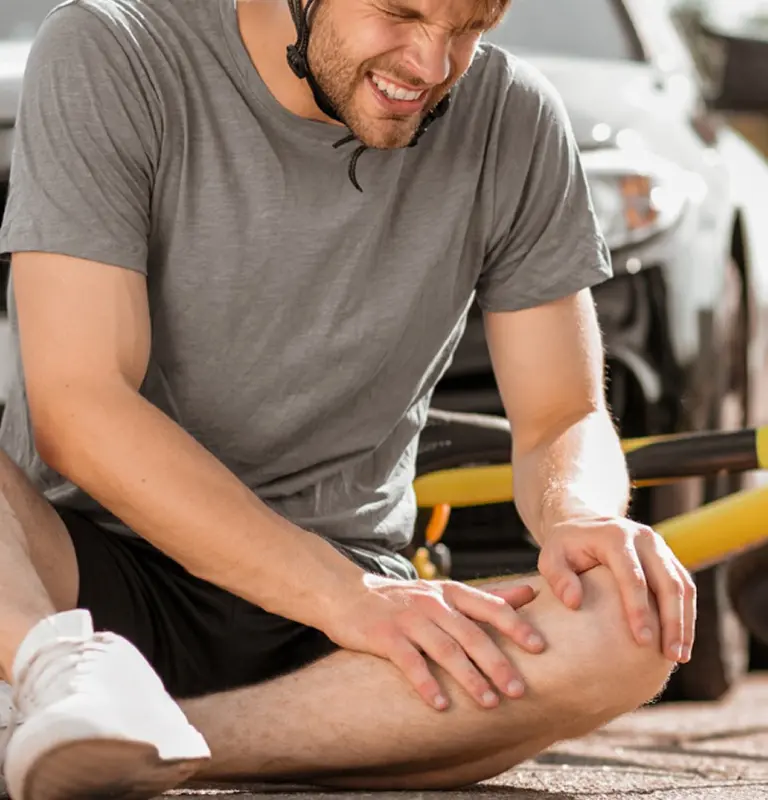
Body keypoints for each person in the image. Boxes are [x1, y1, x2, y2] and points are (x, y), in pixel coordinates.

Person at [0, 0, 696, 796]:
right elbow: (78, 409)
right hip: (96, 581)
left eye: (468, 30)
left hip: (349, 613)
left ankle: (107, 735)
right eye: (400, 14)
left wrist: (582, 514)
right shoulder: (110, 49)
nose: (433, 67)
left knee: (628, 627)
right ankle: (62, 685)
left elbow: (562, 415)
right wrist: (343, 598)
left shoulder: (514, 117)